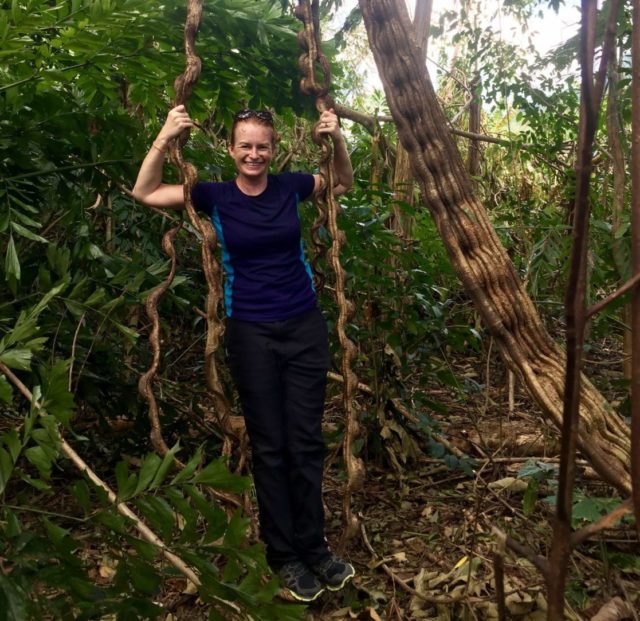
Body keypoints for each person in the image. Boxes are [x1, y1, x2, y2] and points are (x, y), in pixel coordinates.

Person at [132, 104, 355, 602]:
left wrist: (337, 139)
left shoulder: (291, 187)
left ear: (274, 150)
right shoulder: (212, 195)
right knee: (271, 447)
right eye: (245, 145)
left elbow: (342, 182)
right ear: (231, 150)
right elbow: (145, 191)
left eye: (263, 146)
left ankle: (315, 549)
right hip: (250, 333)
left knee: (305, 443)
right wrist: (164, 135)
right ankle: (285, 556)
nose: (254, 154)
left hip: (303, 328)